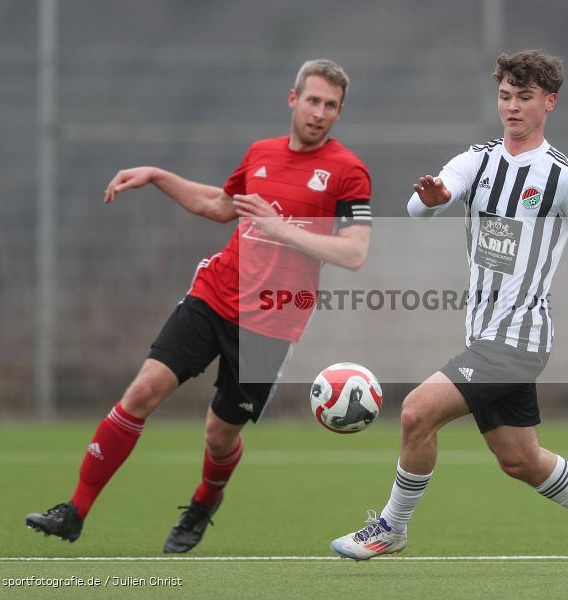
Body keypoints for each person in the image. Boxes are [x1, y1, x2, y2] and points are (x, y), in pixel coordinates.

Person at [330, 50, 568, 575]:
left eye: (525, 97)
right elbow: (420, 208)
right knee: (519, 458)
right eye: (505, 95)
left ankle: (391, 529)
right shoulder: (477, 160)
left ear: (549, 102)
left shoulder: (566, 179)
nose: (512, 107)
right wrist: (434, 198)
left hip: (521, 336)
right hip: (483, 334)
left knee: (417, 411)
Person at [26, 59, 373, 553]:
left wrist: (283, 230)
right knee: (143, 391)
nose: (319, 113)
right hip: (214, 294)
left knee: (218, 436)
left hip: (271, 324)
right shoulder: (260, 154)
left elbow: (354, 253)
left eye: (331, 106)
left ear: (340, 112)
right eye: (313, 100)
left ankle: (204, 501)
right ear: (292, 99)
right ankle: (74, 511)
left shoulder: (347, 171)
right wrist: (156, 175)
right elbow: (218, 205)